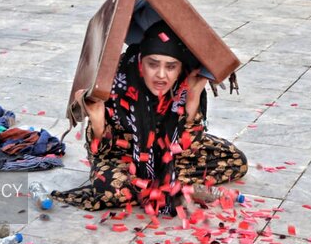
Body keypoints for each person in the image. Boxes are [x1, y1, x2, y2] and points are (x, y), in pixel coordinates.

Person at [51, 20, 248, 215]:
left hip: (169, 156)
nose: (161, 75)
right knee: (111, 190)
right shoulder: (114, 82)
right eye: (153, 65)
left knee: (235, 160)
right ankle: (170, 186)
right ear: (140, 62)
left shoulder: (185, 84)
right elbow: (100, 151)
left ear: (180, 68)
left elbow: (187, 145)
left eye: (171, 67)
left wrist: (192, 99)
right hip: (123, 158)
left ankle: (162, 184)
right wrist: (98, 122)